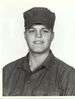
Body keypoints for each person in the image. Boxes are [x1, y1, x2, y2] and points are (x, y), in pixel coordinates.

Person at [3, 7, 75, 96]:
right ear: (25, 35)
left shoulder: (68, 76)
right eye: (32, 31)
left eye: (44, 31)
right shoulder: (6, 72)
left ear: (52, 36)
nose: (38, 35)